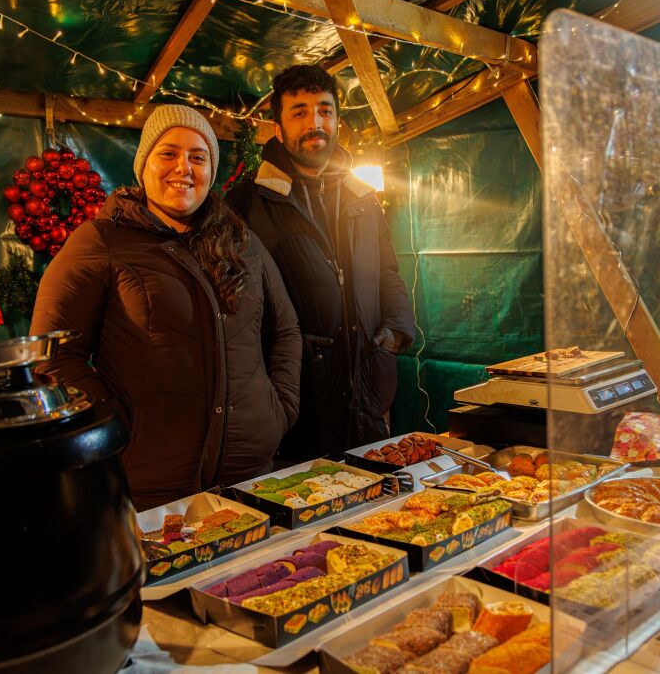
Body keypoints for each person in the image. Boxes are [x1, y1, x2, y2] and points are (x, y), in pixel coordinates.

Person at [30, 104, 302, 510]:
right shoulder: (101, 241)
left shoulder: (242, 242)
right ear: (143, 165)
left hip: (250, 474)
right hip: (151, 487)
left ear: (211, 169)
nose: (184, 168)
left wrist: (279, 409)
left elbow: (286, 331)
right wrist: (115, 426)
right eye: (168, 153)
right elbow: (51, 355)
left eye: (198, 157)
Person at [226, 65, 414, 461]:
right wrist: (288, 358)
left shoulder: (363, 196)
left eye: (325, 111)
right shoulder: (249, 202)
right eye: (300, 112)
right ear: (277, 128)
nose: (315, 123)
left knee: (377, 511)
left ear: (338, 121)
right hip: (297, 401)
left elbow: (388, 273)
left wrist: (394, 335)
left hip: (368, 385)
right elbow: (236, 304)